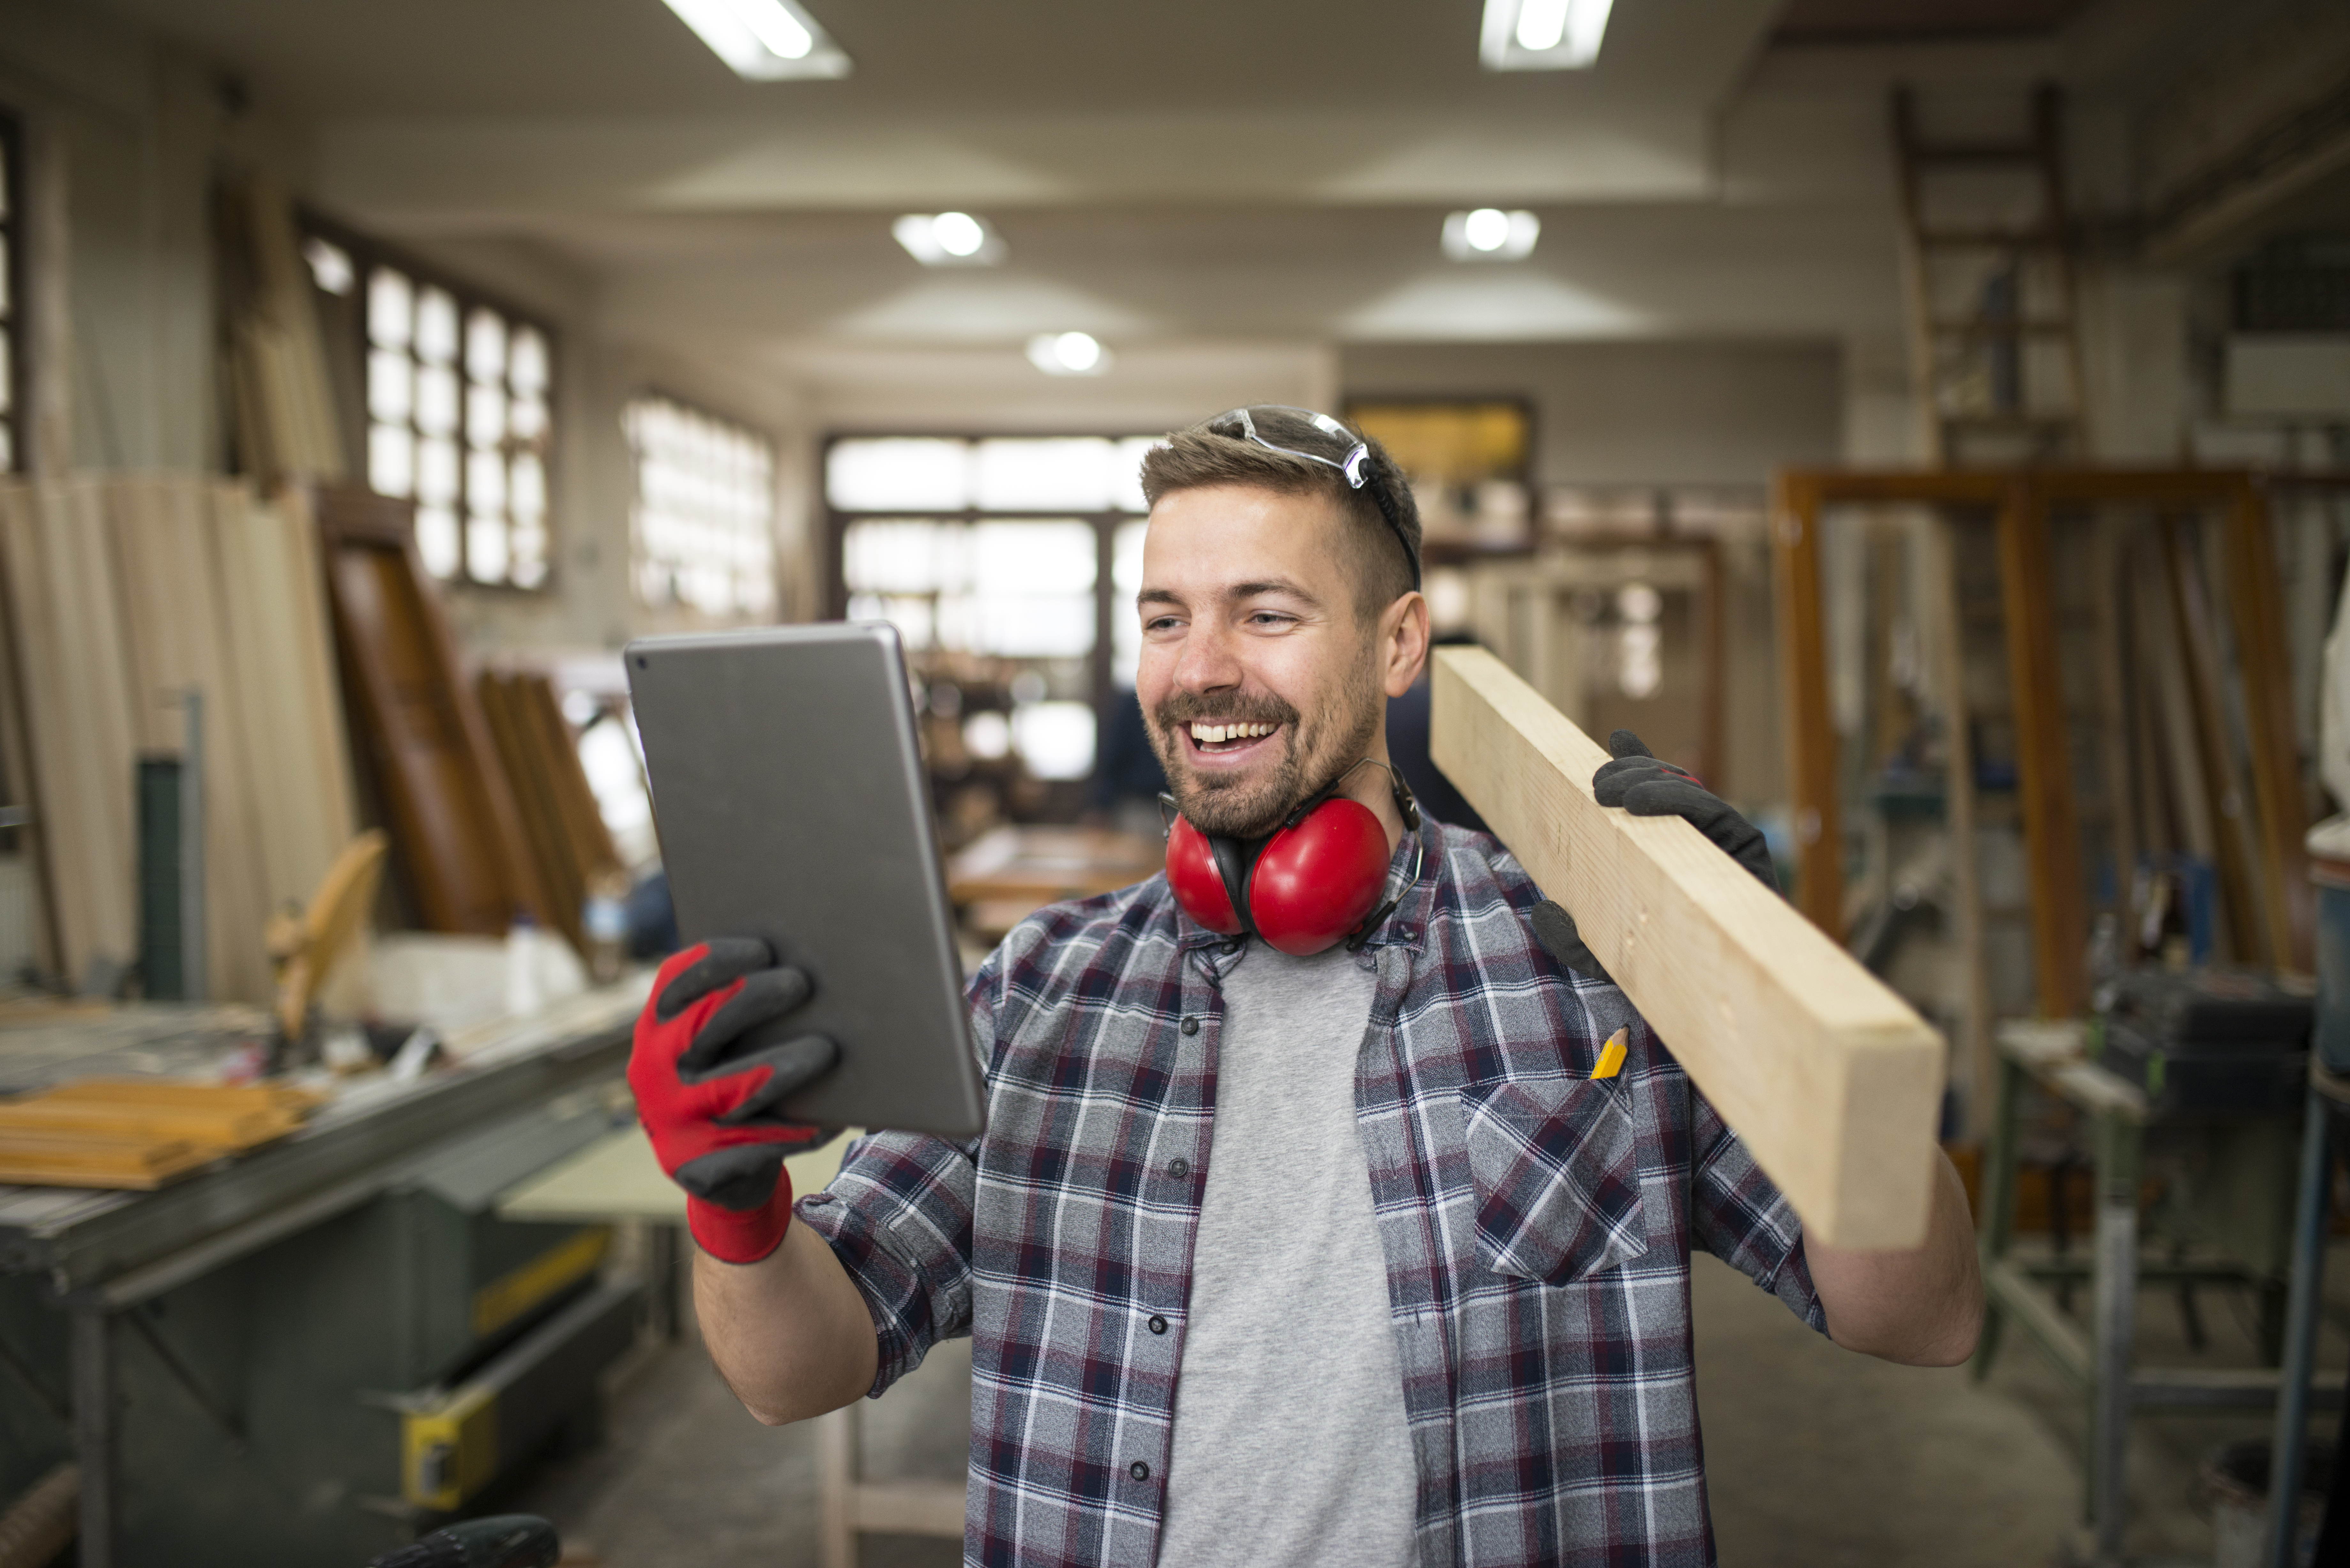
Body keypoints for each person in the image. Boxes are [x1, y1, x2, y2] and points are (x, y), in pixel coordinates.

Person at [626, 406, 1984, 1568]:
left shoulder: (1586, 970)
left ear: (1397, 647)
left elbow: (1915, 1317)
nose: (1201, 667)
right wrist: (737, 1204)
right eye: (1167, 618)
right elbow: (793, 1370)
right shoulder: (1042, 995)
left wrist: (1767, 984)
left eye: (1264, 614)